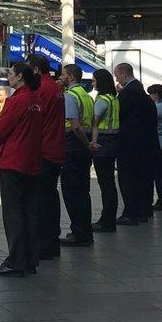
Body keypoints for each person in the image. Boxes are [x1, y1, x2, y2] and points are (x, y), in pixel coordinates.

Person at [0, 62, 43, 276]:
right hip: (31, 160)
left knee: (13, 211)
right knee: (29, 210)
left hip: (13, 160)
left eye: (10, 74)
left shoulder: (17, 100)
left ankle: (16, 260)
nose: (8, 77)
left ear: (20, 77)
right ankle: (29, 258)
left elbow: (0, 129)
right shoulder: (36, 101)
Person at [26, 55, 65, 261]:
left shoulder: (41, 89)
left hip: (44, 150)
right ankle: (51, 242)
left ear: (34, 70)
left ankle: (44, 243)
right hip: (55, 148)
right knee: (49, 196)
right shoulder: (56, 88)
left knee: (41, 199)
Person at [113, 63, 158, 225]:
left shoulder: (129, 93)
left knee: (129, 178)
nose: (117, 79)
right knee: (143, 176)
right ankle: (144, 209)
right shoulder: (141, 92)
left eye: (117, 75)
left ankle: (131, 212)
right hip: (144, 143)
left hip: (130, 144)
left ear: (124, 74)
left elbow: (120, 115)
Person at [58, 64, 93, 246]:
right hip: (83, 149)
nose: (60, 77)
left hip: (73, 147)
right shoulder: (86, 96)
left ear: (70, 77)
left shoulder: (70, 97)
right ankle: (85, 231)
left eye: (63, 74)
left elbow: (75, 125)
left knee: (71, 192)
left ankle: (78, 232)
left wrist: (86, 143)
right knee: (83, 191)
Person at [90, 69, 120, 232]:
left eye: (94, 81)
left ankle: (106, 220)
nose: (93, 83)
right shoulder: (114, 99)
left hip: (102, 144)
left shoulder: (102, 100)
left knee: (105, 184)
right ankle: (109, 219)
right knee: (110, 184)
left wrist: (93, 141)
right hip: (113, 142)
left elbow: (95, 122)